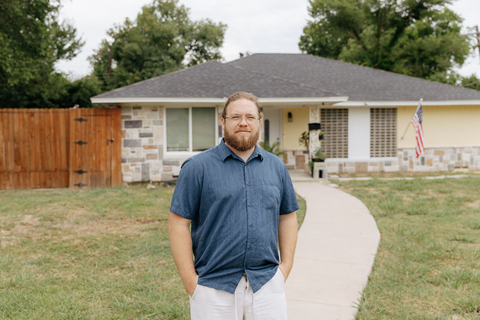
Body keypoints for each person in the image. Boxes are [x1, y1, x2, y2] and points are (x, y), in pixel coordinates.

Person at [168, 91, 299, 320]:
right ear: (223, 122)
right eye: (235, 117)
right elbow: (178, 223)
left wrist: (284, 270)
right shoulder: (197, 168)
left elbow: (287, 216)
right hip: (213, 289)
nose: (243, 123)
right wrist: (192, 283)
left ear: (259, 122)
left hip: (267, 286)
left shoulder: (277, 167)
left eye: (250, 117)